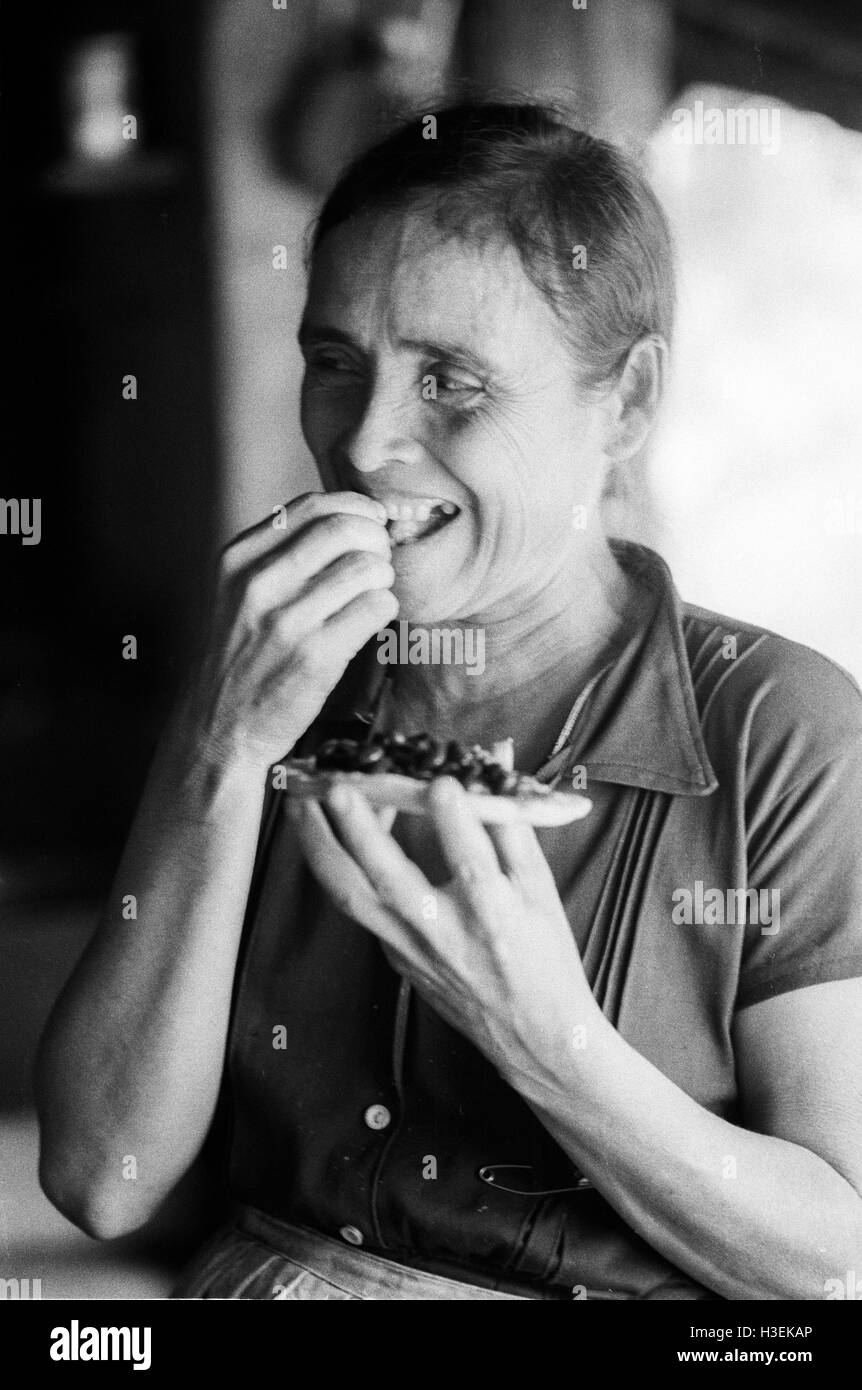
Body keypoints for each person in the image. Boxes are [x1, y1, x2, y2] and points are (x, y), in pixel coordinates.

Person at [36, 103, 862, 1301]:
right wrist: (221, 739)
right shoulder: (273, 685)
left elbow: (829, 1258)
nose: (365, 441)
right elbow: (102, 1175)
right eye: (334, 362)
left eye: (451, 380)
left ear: (624, 403)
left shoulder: (779, 727)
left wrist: (539, 1031)